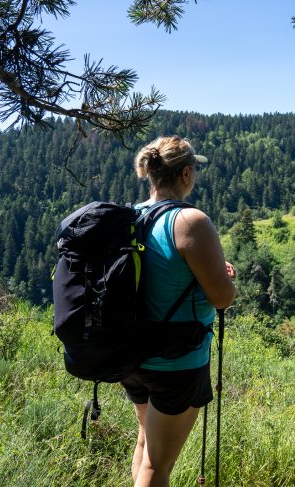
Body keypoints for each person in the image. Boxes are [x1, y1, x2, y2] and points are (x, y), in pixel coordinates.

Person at [121, 135, 236, 487]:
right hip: (177, 362)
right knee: (158, 466)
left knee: (145, 442)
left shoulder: (130, 217)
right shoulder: (190, 222)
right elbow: (222, 298)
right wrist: (226, 278)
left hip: (131, 355)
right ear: (186, 173)